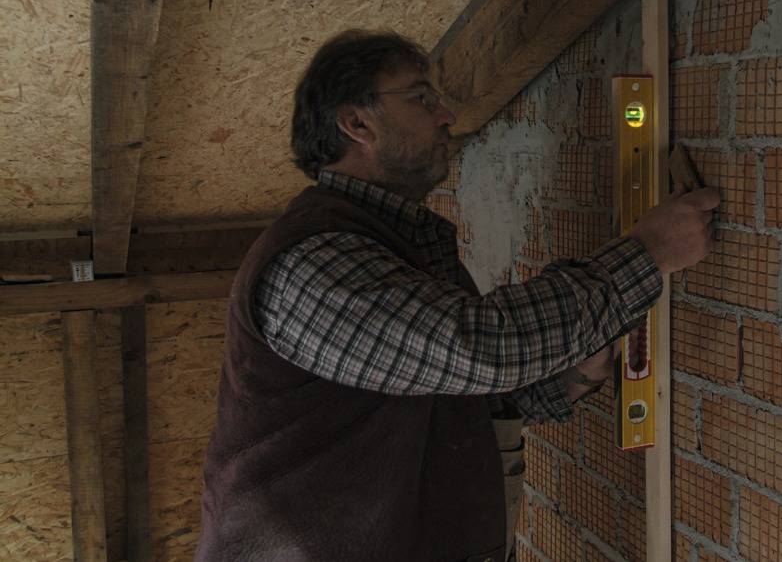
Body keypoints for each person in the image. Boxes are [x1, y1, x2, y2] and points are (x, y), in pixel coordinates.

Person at [196, 29, 719, 562]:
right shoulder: (313, 265)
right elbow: (480, 350)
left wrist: (570, 376)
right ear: (356, 123)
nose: (445, 115)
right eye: (422, 98)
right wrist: (649, 252)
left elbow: (457, 402)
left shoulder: (400, 246)